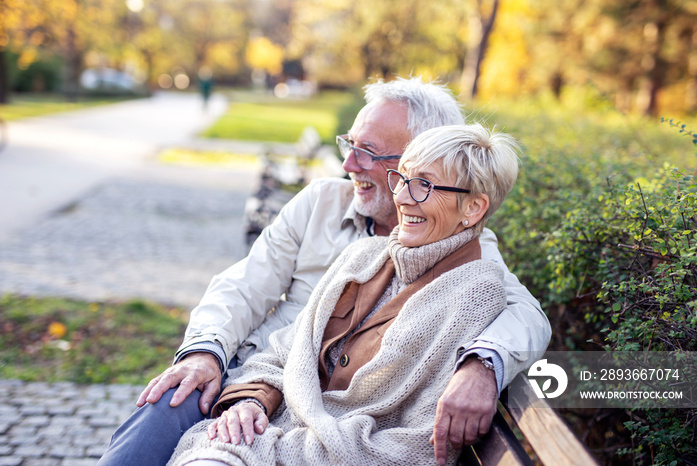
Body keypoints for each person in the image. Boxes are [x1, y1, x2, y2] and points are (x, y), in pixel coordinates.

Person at [98, 77, 551, 466]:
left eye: (368, 152)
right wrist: (207, 351)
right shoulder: (322, 203)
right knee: (169, 399)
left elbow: (526, 316)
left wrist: (481, 365)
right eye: (349, 145)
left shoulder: (470, 261)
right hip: (247, 378)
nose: (348, 164)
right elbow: (241, 287)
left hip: (317, 424)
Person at [167, 122, 521, 466]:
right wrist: (250, 403)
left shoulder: (475, 295)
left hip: (299, 451)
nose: (402, 198)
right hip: (261, 432)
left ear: (473, 208)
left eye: (424, 186)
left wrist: (270, 448)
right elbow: (284, 351)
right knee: (169, 410)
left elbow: (416, 447)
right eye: (402, 180)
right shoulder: (363, 255)